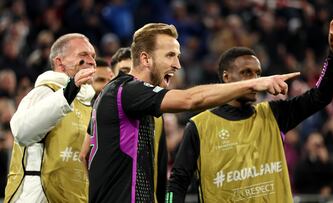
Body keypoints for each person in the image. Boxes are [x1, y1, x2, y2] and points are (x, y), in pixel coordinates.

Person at [88, 23, 300, 203]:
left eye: (178, 56)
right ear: (145, 59)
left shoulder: (128, 97)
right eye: (170, 55)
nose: (177, 64)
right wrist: (255, 84)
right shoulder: (127, 91)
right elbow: (191, 99)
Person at [166, 12, 333, 202]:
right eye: (246, 73)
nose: (255, 80)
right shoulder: (199, 126)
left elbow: (321, 96)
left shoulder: (274, 114)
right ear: (226, 77)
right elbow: (176, 183)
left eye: (258, 74)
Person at [5, 33, 96, 203]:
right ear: (59, 63)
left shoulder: (89, 104)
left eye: (93, 56)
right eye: (83, 55)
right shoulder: (44, 91)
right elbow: (22, 131)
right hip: (38, 196)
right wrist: (69, 91)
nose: (91, 61)